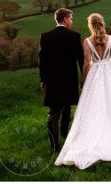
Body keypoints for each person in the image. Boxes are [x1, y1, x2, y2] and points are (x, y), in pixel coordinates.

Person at [54, 13, 111, 170]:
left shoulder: (87, 41)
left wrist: (84, 80)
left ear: (90, 25)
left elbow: (86, 63)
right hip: (109, 72)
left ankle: (90, 134)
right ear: (102, 23)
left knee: (92, 106)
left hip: (95, 73)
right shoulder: (110, 39)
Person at [38, 8, 84, 153]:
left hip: (53, 80)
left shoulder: (45, 36)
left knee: (60, 107)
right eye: (71, 19)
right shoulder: (75, 36)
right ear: (64, 19)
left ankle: (62, 137)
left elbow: (42, 61)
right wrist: (85, 76)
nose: (71, 21)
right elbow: (80, 59)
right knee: (59, 111)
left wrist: (43, 79)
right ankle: (55, 145)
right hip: (70, 79)